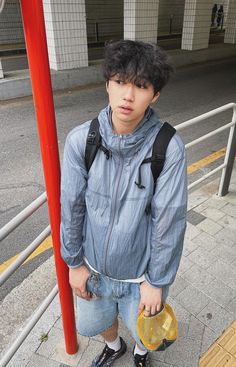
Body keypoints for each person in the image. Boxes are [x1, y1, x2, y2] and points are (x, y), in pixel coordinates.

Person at [60, 40, 187, 367]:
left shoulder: (168, 147)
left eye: (141, 86)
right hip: (94, 270)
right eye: (119, 82)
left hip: (141, 275)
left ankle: (141, 353)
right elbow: (72, 208)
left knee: (147, 332)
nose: (128, 95)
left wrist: (156, 281)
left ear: (155, 95)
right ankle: (115, 346)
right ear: (107, 84)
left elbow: (168, 220)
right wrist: (74, 264)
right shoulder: (81, 140)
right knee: (97, 323)